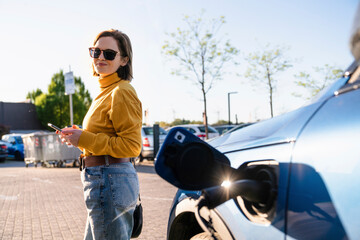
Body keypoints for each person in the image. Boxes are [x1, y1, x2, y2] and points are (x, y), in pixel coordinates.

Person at [59, 29, 142, 240]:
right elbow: (104, 136)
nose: (101, 57)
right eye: (96, 52)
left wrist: (85, 139)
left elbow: (132, 146)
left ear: (124, 60)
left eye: (109, 53)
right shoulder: (105, 91)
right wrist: (80, 136)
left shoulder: (121, 91)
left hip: (110, 179)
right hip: (104, 179)